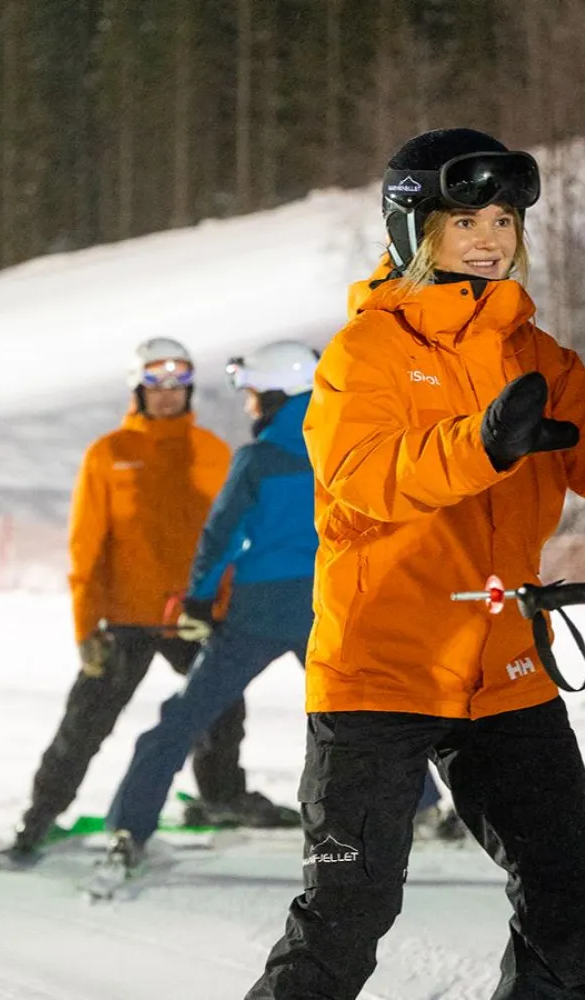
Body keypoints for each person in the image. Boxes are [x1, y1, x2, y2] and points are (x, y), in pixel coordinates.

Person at [243, 128, 585, 1000]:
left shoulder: (538, 355)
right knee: (346, 917)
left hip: (506, 671)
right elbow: (362, 480)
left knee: (571, 901)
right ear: (413, 229)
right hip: (382, 671)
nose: (489, 237)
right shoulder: (366, 352)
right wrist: (479, 445)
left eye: (505, 218)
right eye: (464, 219)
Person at [99, 341, 462, 873]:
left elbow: (221, 534)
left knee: (183, 718)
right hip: (330, 604)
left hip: (257, 610)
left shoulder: (258, 458)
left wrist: (199, 597)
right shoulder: (344, 446)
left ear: (273, 394)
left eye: (251, 394)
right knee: (366, 713)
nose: (248, 405)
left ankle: (130, 826)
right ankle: (427, 811)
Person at [0, 338, 238, 868]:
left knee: (223, 713)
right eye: (154, 383)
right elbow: (86, 546)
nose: (167, 394)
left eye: (177, 383)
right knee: (86, 723)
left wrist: (222, 609)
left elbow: (230, 537)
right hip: (125, 619)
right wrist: (85, 627)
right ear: (137, 387)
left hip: (191, 616)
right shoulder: (110, 454)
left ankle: (221, 800)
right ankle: (38, 820)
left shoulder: (213, 451)